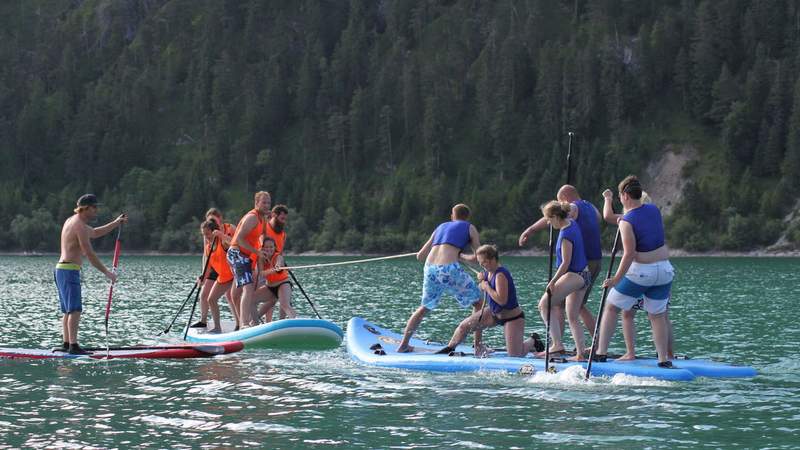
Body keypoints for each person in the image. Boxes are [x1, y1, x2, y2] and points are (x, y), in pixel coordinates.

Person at [595, 176, 674, 367]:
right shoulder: (654, 210)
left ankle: (601, 353)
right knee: (656, 315)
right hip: (665, 271)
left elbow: (629, 254)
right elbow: (615, 216)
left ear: (624, 196)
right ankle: (663, 360)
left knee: (612, 306)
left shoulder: (626, 221)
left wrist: (616, 278)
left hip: (642, 273)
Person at [396, 204, 483, 353]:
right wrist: (461, 256)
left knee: (424, 307)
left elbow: (420, 256)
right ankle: (478, 346)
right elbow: (478, 257)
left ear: (452, 216)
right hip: (449, 268)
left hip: (430, 268)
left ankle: (403, 345)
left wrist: (452, 253)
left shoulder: (440, 227)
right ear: (467, 217)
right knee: (479, 304)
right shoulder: (470, 227)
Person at [518, 185, 601, 339]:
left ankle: (558, 344)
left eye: (559, 202)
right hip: (596, 260)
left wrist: (531, 230)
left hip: (582, 263)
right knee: (578, 307)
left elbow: (553, 213)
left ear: (564, 200)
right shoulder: (591, 206)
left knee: (556, 304)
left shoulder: (573, 207)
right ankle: (596, 344)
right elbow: (598, 219)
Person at [436, 245, 544, 357]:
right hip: (493, 314)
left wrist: (486, 287)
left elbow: (502, 301)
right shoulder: (487, 273)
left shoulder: (500, 275)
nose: (481, 265)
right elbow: (482, 288)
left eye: (484, 262)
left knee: (516, 355)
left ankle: (533, 340)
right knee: (464, 326)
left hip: (512, 318)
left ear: (493, 259)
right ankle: (450, 348)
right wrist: (481, 281)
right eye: (480, 263)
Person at [55, 194, 126, 354]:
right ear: (85, 208)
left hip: (62, 269)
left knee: (68, 310)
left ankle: (67, 344)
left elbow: (94, 232)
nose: (96, 211)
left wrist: (115, 223)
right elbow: (89, 253)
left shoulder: (72, 221)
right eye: (94, 208)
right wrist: (108, 273)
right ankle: (73, 346)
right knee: (75, 310)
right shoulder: (79, 225)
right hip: (68, 271)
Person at [536, 201, 593, 361]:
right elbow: (573, 209)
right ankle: (580, 354)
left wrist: (553, 281)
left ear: (555, 217)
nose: (548, 222)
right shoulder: (572, 222)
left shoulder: (565, 235)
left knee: (544, 305)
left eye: (548, 219)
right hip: (585, 274)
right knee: (573, 316)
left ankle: (557, 344)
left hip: (574, 275)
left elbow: (565, 263)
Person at [227, 191, 271, 328]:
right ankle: (244, 323)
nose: (266, 205)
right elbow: (239, 239)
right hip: (237, 253)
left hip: (246, 256)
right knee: (248, 288)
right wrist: (257, 252)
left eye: (269, 202)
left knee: (236, 293)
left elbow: (263, 235)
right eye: (264, 202)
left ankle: (240, 322)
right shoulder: (251, 218)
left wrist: (264, 249)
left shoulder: (262, 219)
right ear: (256, 203)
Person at [192, 208, 238, 329]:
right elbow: (208, 265)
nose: (206, 237)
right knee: (210, 299)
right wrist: (202, 277)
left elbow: (236, 243)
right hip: (223, 276)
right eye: (204, 235)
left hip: (233, 275)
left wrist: (222, 235)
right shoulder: (208, 246)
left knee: (232, 297)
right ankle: (217, 327)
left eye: (207, 234)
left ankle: (240, 324)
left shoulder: (222, 240)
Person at [255, 236, 297, 320]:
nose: (269, 249)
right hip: (270, 287)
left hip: (283, 284)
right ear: (262, 248)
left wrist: (277, 267)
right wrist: (273, 270)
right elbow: (262, 274)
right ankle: (253, 322)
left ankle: (296, 321)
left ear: (275, 248)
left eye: (271, 247)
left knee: (284, 304)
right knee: (251, 300)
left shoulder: (278, 257)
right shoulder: (261, 258)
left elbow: (279, 263)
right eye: (266, 247)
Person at [259, 204, 290, 321]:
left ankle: (281, 323)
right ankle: (267, 322)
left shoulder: (283, 234)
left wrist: (281, 263)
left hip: (277, 268)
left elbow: (279, 253)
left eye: (285, 219)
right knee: (269, 297)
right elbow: (261, 244)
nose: (284, 222)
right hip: (264, 268)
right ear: (274, 215)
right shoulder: (265, 228)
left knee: (283, 296)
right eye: (282, 219)